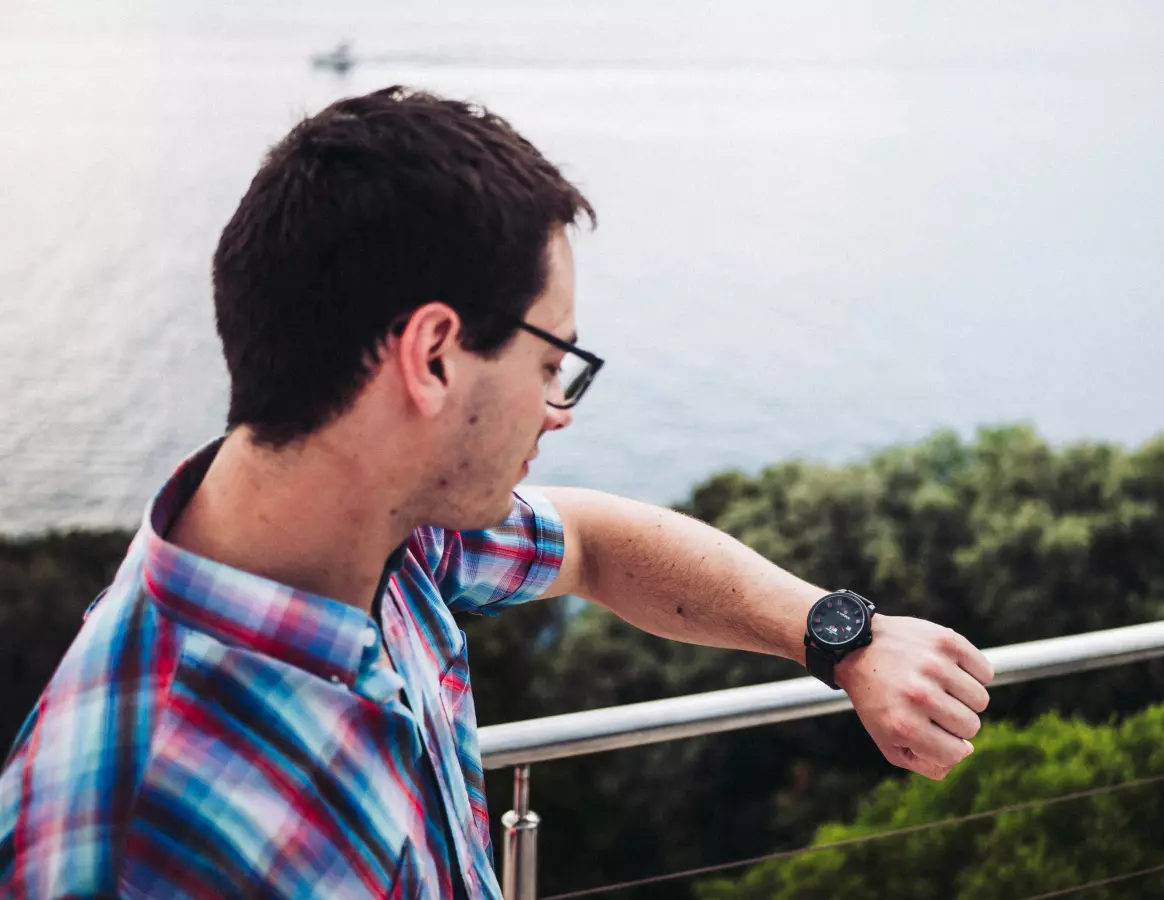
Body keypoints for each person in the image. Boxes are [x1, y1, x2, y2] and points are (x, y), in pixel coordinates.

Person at [0, 86, 993, 899]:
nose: (558, 410)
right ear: (433, 355)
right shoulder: (142, 840)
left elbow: (598, 543)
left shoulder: (390, 537)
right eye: (552, 360)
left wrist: (839, 635)